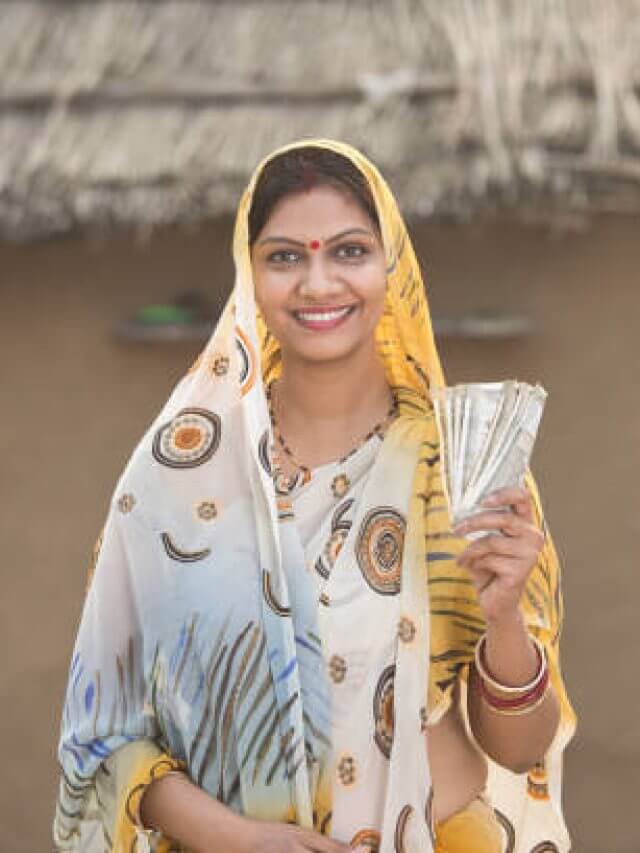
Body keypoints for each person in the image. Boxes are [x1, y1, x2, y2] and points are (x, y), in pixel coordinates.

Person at [53, 140, 576, 853]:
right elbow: (103, 735)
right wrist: (236, 837)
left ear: (390, 265)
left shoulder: (458, 468)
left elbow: (519, 750)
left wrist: (505, 614)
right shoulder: (176, 477)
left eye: (350, 252)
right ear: (250, 274)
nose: (319, 283)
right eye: (285, 256)